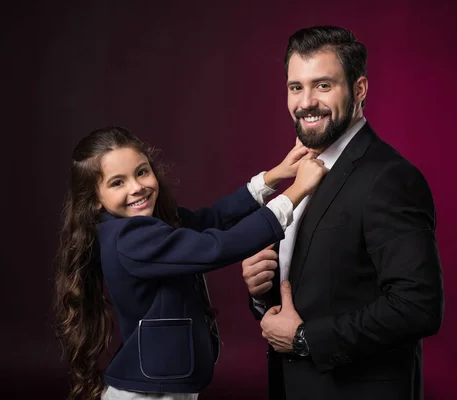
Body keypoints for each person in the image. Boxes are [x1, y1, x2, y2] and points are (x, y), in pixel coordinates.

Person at [242, 26, 444, 399]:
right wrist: (262, 290)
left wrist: (304, 340)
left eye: (323, 85)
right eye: (295, 87)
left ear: (359, 90)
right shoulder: (302, 171)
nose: (305, 102)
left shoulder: (389, 177)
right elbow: (316, 289)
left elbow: (419, 307)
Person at [54, 126, 328, 400]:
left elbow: (210, 219)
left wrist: (274, 176)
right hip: (148, 393)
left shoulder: (146, 226)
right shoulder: (129, 238)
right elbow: (217, 247)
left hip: (163, 384)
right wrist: (297, 191)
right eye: (117, 183)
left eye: (141, 172)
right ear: (95, 201)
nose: (137, 187)